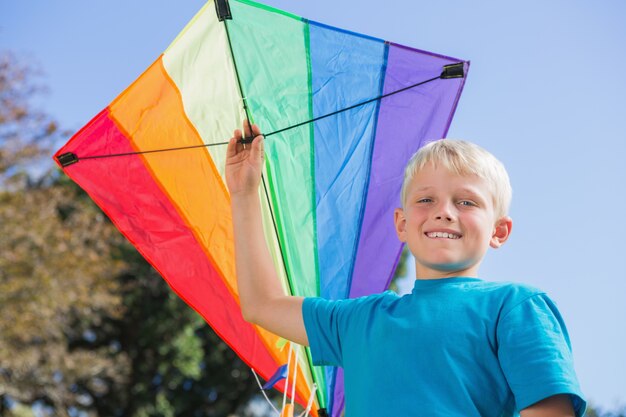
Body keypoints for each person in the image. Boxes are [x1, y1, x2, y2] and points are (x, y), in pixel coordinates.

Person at [225, 123, 586, 417]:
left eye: (466, 201)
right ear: (401, 223)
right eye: (425, 199)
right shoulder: (359, 320)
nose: (443, 211)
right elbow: (262, 303)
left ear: (499, 230)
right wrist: (244, 195)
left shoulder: (515, 306)